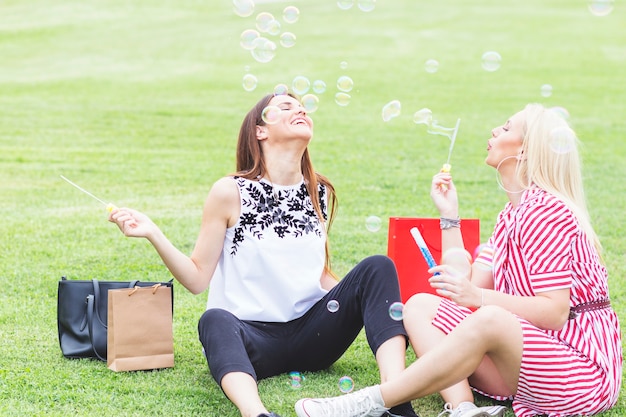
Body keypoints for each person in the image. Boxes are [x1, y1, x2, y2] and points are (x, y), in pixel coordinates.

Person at [294, 103, 622, 417]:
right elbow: (467, 287)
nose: (494, 130)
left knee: (491, 316)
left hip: (579, 371)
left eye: (506, 126)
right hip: (529, 359)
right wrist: (450, 217)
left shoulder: (545, 212)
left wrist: (478, 298)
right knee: (421, 305)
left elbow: (554, 312)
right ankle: (464, 407)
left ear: (524, 150)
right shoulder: (512, 213)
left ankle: (375, 400)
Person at [108, 92, 418, 417]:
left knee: (377, 268)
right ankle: (256, 413)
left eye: (302, 107)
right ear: (260, 130)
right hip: (252, 338)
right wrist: (153, 233)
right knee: (214, 319)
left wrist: (364, 297)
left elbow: (318, 273)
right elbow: (198, 277)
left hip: (313, 334)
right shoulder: (230, 192)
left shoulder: (319, 190)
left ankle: (395, 397)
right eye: (286, 107)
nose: (299, 109)